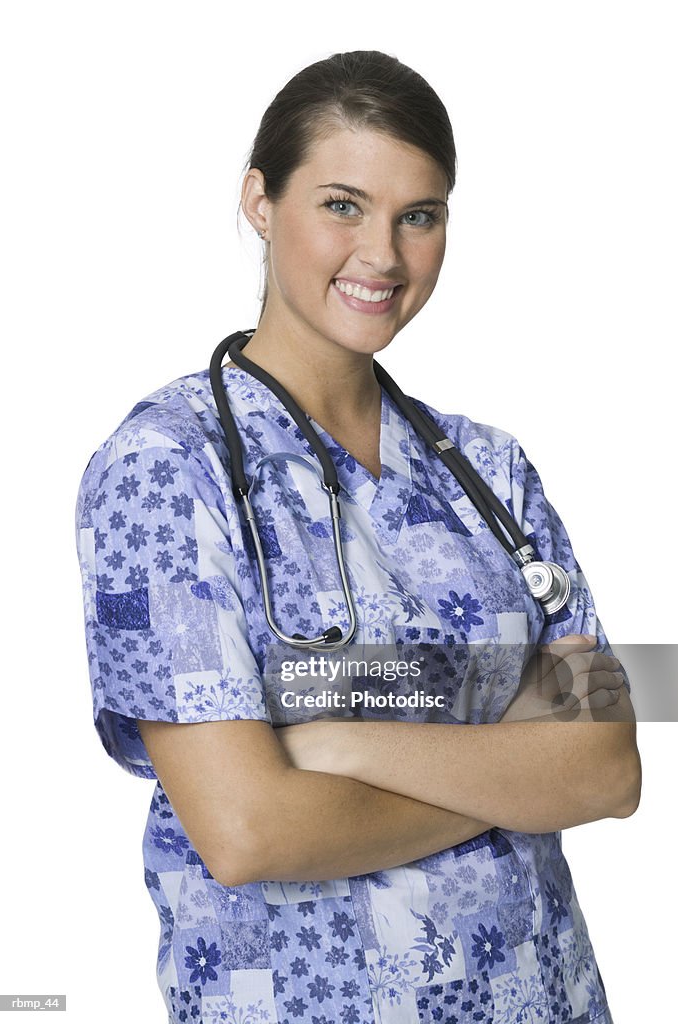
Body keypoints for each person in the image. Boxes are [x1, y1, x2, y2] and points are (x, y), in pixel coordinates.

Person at [74, 49, 641, 1024]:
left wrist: (336, 744)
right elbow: (250, 828)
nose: (382, 253)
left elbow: (608, 765)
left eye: (417, 216)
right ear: (259, 200)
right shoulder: (165, 470)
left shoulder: (489, 469)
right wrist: (516, 775)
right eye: (343, 204)